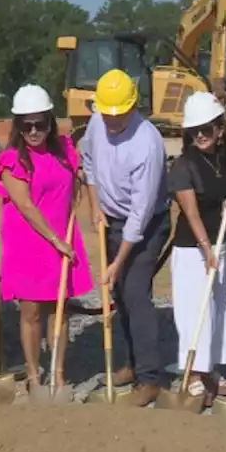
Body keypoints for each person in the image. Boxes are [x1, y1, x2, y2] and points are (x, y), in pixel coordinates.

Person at [0, 83, 92, 393]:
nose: (34, 131)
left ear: (50, 121)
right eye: (26, 125)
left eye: (40, 124)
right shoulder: (12, 160)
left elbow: (75, 187)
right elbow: (26, 206)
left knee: (59, 308)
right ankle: (34, 375)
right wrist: (56, 240)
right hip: (30, 241)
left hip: (61, 235)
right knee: (32, 311)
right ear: (17, 126)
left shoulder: (64, 153)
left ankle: (59, 373)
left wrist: (80, 197)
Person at [80, 69, 172, 407]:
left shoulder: (147, 144)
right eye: (107, 113)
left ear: (133, 105)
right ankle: (132, 363)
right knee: (119, 292)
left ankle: (150, 379)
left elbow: (140, 212)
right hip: (111, 216)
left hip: (148, 224)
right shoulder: (96, 122)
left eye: (119, 114)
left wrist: (118, 262)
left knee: (133, 291)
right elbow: (88, 162)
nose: (112, 120)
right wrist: (95, 206)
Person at [166, 92, 226, 407]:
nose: (200, 134)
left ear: (219, 128)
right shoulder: (184, 166)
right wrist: (206, 249)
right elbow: (190, 212)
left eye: (206, 128)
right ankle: (193, 374)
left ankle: (215, 368)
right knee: (194, 311)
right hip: (192, 248)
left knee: (225, 306)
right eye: (194, 130)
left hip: (223, 242)